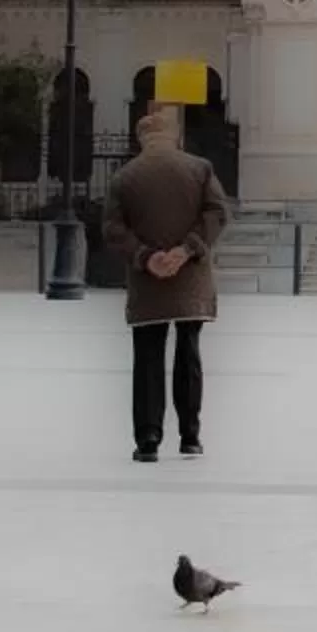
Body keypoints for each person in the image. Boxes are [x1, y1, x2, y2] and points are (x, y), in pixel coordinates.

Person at [103, 103, 232, 463]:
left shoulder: (125, 177)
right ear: (174, 137)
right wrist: (186, 249)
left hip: (148, 279)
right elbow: (218, 212)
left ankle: (148, 439)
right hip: (191, 275)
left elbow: (112, 230)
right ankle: (190, 436)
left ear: (142, 137)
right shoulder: (199, 169)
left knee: (147, 356)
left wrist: (147, 256)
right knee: (188, 351)